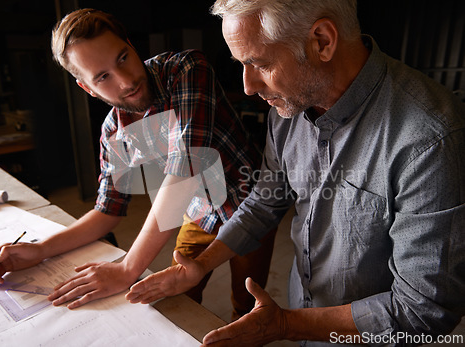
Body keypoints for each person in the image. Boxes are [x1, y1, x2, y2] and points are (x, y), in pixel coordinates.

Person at [127, 0, 465, 345]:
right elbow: (264, 202)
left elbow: (424, 308)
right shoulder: (289, 105)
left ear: (321, 41)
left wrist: (286, 326)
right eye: (241, 65)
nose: (247, 86)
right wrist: (203, 263)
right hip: (303, 314)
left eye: (258, 63)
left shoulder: (430, 138)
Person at [0, 8, 277, 320]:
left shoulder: (186, 69)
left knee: (246, 302)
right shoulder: (114, 132)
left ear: (131, 45)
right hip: (199, 212)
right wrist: (41, 250)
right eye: (102, 77)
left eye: (122, 58)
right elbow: (107, 210)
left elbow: (187, 167)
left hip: (250, 205)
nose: (126, 82)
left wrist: (128, 267)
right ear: (87, 88)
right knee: (177, 294)